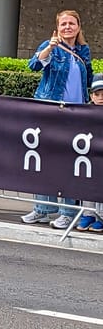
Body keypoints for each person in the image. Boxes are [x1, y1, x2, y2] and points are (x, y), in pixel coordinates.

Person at [21, 9, 92, 229]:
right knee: (45, 161)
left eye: (72, 23)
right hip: (51, 111)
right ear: (57, 27)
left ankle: (67, 212)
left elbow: (87, 78)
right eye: (63, 24)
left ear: (78, 27)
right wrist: (50, 48)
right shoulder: (49, 46)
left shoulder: (83, 50)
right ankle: (43, 208)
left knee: (69, 163)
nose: (68, 27)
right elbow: (34, 65)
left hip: (75, 114)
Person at [76, 74, 103, 232]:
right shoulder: (85, 113)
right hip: (88, 155)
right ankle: (88, 214)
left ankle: (101, 216)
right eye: (97, 94)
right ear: (91, 95)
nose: (100, 98)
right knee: (87, 183)